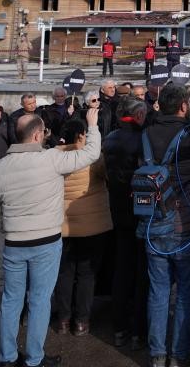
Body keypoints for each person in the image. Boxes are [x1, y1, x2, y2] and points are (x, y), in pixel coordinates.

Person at [0, 106, 100, 367]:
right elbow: (92, 153)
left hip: (14, 242)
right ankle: (34, 358)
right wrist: (92, 124)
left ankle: (8, 356)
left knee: (11, 300)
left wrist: (10, 228)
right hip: (46, 241)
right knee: (39, 301)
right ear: (38, 135)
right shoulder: (51, 159)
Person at [143, 84, 190, 367]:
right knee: (186, 289)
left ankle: (157, 354)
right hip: (187, 223)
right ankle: (180, 354)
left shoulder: (146, 134)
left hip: (154, 222)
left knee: (158, 291)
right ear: (184, 105)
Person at [52, 114, 112, 337]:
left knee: (64, 273)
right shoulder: (92, 157)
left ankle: (63, 319)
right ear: (80, 136)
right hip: (92, 225)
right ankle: (81, 321)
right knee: (87, 274)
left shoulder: (53, 156)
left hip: (62, 224)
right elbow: (107, 176)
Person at [103, 98, 151, 350]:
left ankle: (119, 325)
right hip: (139, 209)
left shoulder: (110, 137)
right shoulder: (143, 138)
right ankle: (138, 328)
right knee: (142, 270)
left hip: (118, 208)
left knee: (122, 267)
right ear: (140, 114)